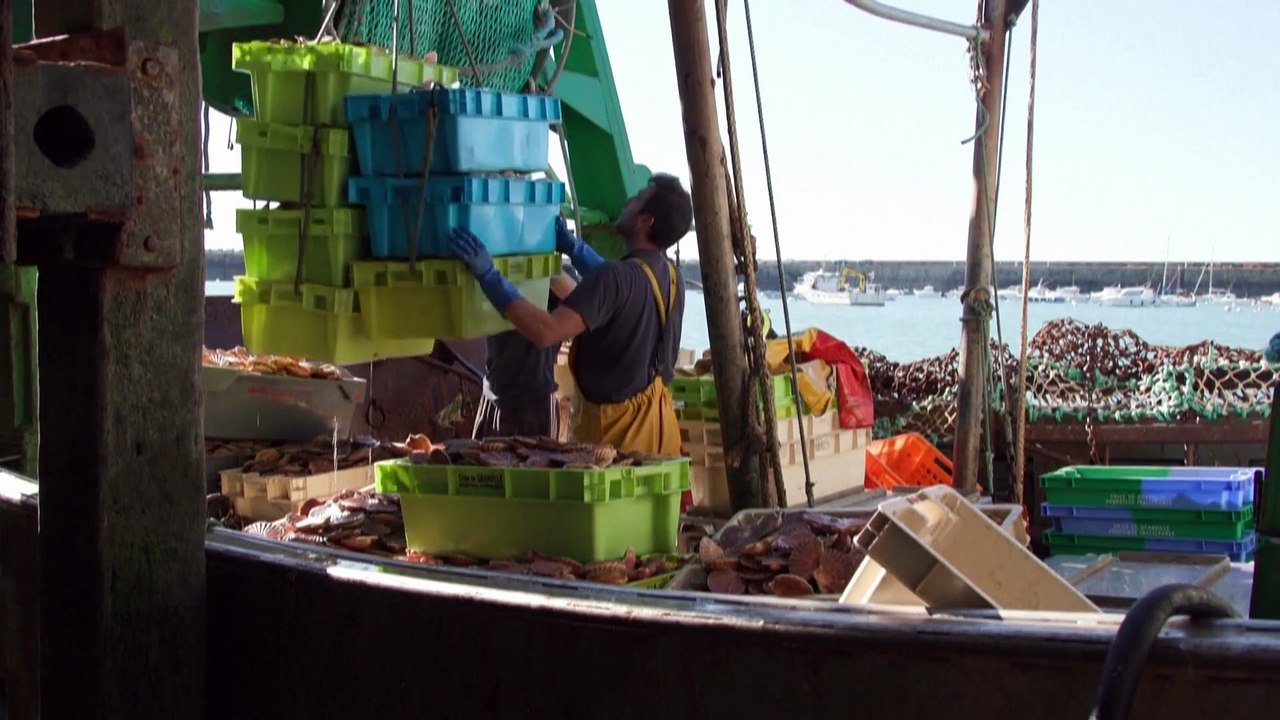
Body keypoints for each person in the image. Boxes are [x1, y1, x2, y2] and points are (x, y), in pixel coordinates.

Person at [449, 173, 694, 455]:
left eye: (637, 199)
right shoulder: (672, 277)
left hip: (615, 442)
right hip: (659, 433)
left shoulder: (616, 279)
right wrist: (573, 247)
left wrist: (489, 276)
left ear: (645, 221)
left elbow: (545, 331)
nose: (628, 201)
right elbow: (615, 286)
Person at [472, 266, 579, 440]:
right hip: (495, 393)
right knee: (483, 456)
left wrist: (545, 267)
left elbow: (577, 297)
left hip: (537, 399)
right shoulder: (498, 268)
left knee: (539, 456)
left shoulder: (557, 273)